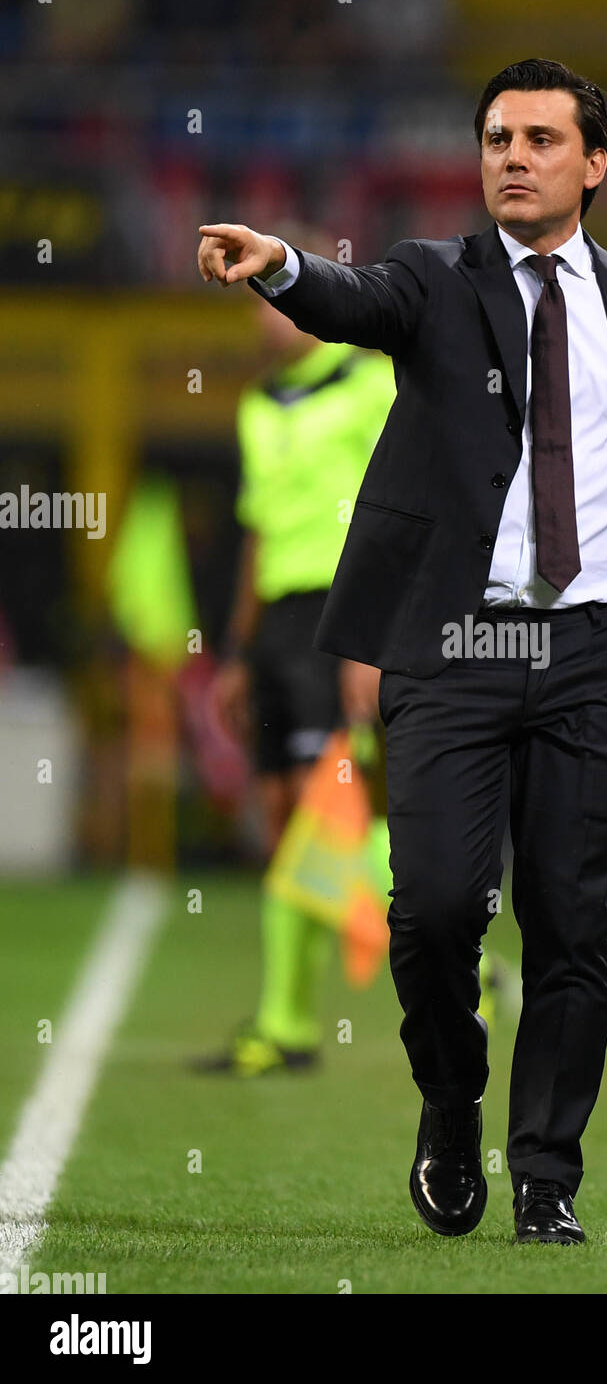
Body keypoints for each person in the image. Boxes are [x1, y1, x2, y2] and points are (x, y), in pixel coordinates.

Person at [197, 57, 607, 1244]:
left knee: (571, 922)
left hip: (593, 650)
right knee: (431, 911)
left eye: (539, 138)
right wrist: (280, 265)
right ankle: (448, 1099)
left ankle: (545, 1174)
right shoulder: (432, 278)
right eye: (495, 138)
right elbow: (347, 296)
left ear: (593, 163)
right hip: (452, 645)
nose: (512, 157)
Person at [195, 279, 396, 1074]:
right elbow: (256, 534)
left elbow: (399, 513)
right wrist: (239, 655)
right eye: (253, 306)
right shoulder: (259, 405)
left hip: (339, 617)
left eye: (273, 300)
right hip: (277, 627)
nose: (262, 319)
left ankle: (468, 966)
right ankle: (289, 1025)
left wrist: (372, 637)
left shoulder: (372, 382)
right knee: (287, 822)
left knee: (332, 811)